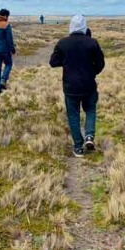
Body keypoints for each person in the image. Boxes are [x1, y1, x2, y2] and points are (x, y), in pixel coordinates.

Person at [50, 14, 105, 157]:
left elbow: (53, 62)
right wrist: (92, 72)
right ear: (84, 26)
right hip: (88, 84)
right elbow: (100, 64)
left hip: (70, 86)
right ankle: (89, 136)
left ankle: (78, 147)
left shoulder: (62, 43)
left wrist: (68, 62)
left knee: (73, 115)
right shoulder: (92, 42)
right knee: (90, 110)